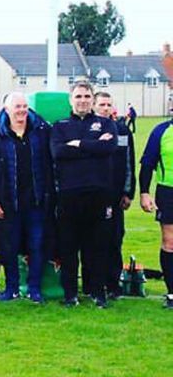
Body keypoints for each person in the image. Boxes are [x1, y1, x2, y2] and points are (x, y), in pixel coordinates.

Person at [51, 81, 117, 308]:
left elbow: (107, 149)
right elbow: (58, 152)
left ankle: (98, 293)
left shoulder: (106, 123)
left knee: (97, 247)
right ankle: (70, 295)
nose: (83, 100)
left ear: (92, 99)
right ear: (71, 100)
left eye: (87, 96)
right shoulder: (60, 126)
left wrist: (78, 144)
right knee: (69, 248)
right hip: (69, 194)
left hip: (99, 193)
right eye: (78, 96)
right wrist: (92, 146)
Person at [0, 92, 54, 302]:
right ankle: (11, 288)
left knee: (37, 245)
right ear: (6, 110)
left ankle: (34, 289)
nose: (21, 110)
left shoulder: (41, 132)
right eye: (17, 107)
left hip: (36, 202)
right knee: (9, 248)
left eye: (24, 106)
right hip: (8, 204)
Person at [93, 92, 135, 299]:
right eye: (101, 104)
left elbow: (129, 162)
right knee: (92, 240)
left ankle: (113, 283)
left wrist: (128, 191)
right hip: (92, 194)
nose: (105, 108)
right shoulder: (87, 128)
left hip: (115, 195)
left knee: (114, 239)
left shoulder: (122, 131)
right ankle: (93, 283)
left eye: (109, 104)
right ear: (94, 106)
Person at [138, 111, 173, 309]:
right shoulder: (161, 131)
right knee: (170, 242)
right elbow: (147, 164)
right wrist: (144, 192)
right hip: (168, 192)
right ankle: (172, 292)